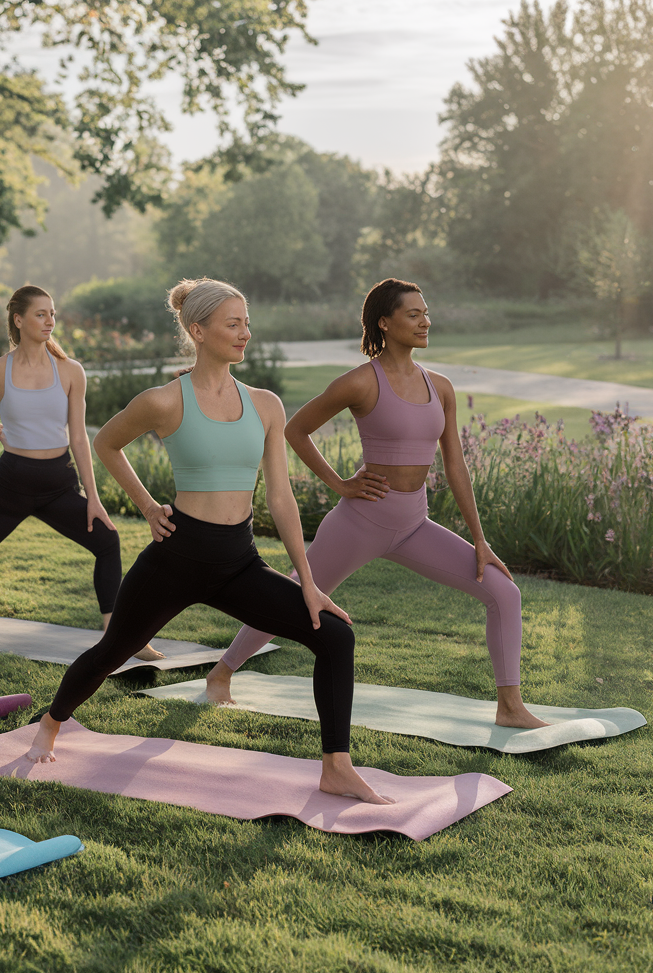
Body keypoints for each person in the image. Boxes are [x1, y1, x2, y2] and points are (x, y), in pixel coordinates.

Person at [26, 277, 394, 804]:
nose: (246, 333)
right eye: (233, 324)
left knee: (333, 634)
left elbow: (281, 500)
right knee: (114, 649)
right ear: (198, 331)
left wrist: (308, 584)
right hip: (177, 557)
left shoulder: (265, 405)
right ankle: (51, 723)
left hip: (237, 562)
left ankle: (336, 766)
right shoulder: (164, 401)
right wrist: (148, 505)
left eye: (247, 322)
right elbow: (106, 442)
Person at [205, 278, 547, 730]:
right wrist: (340, 484)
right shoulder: (361, 382)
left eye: (426, 312)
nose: (425, 321)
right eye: (413, 314)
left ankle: (510, 707)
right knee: (295, 600)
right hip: (360, 523)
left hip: (414, 524)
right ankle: (221, 673)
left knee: (504, 592)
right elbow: (295, 430)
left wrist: (480, 541)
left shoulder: (439, 387)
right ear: (385, 323)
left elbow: (456, 465)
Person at [0, 285, 160, 662]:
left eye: (52, 313)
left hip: (58, 484)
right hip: (11, 483)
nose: (50, 321)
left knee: (107, 541)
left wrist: (93, 497)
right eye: (41, 314)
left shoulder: (70, 371)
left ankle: (114, 636)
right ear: (19, 319)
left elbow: (78, 437)